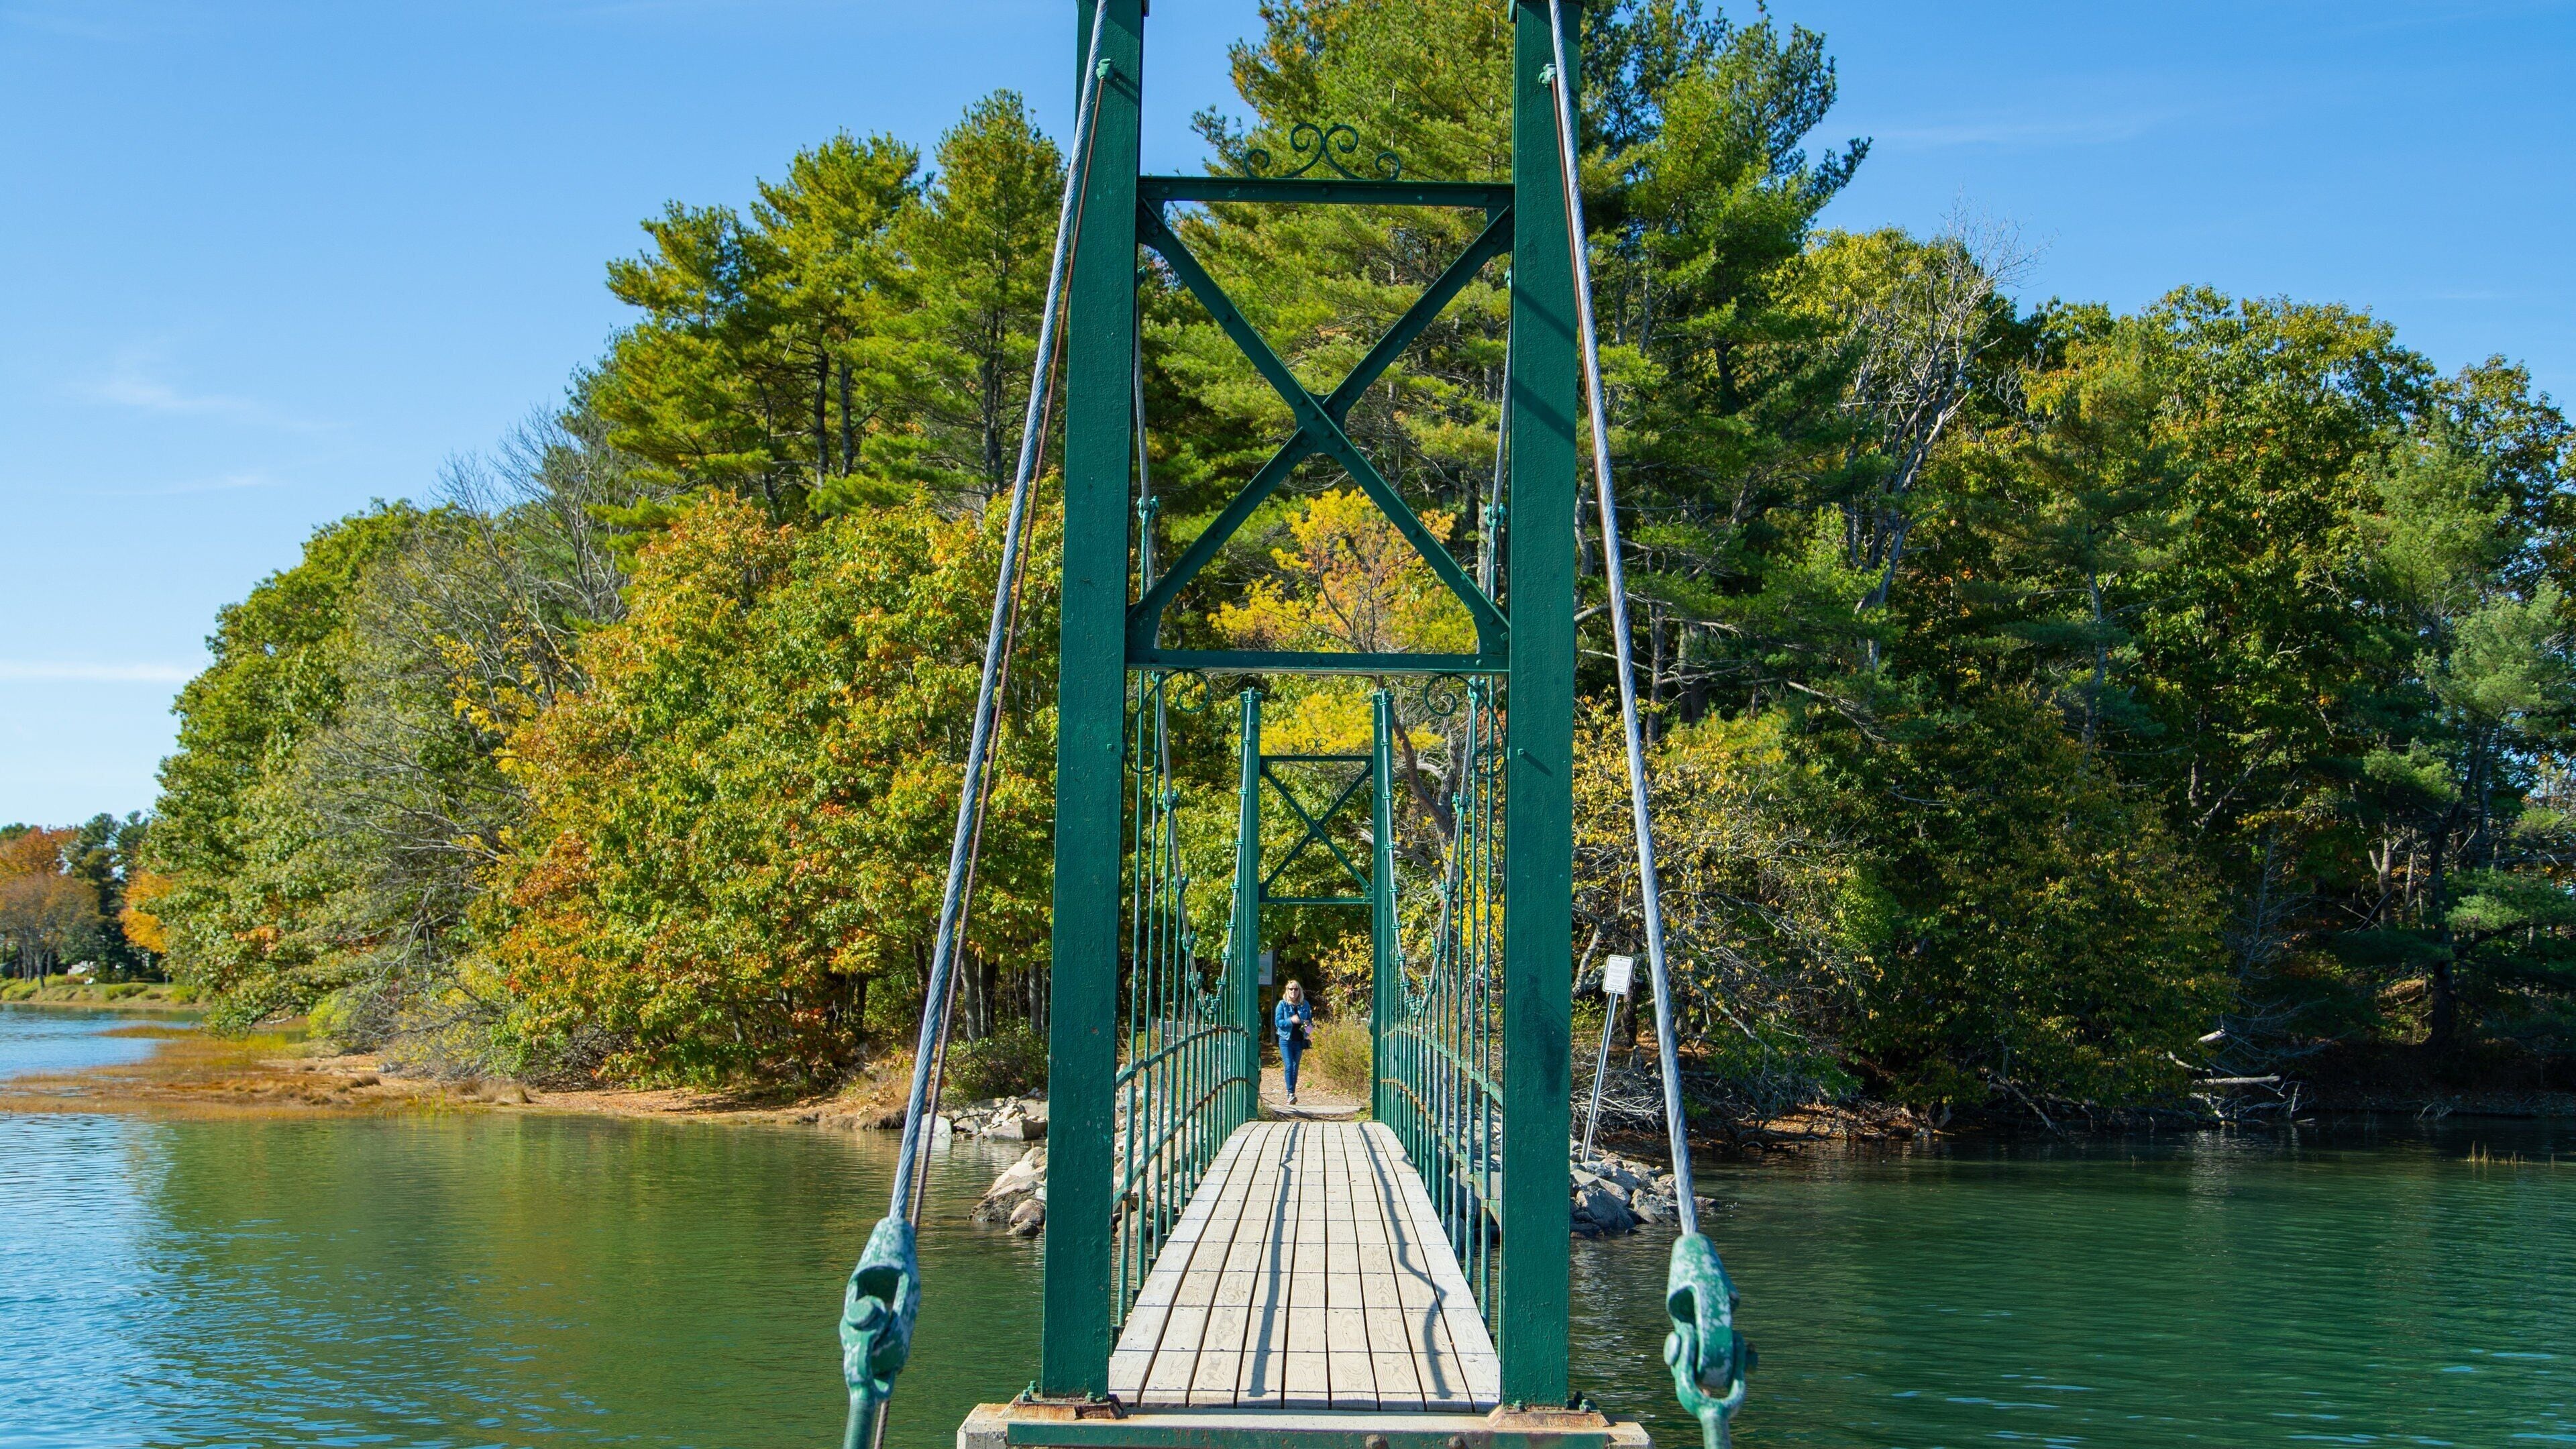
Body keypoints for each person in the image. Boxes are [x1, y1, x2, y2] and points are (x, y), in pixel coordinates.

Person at [1273, 979, 1313, 1105]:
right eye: (1291, 989)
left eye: (1296, 989)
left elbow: (1311, 1025)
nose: (1293, 992)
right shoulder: (1282, 1005)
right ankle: (1290, 1093)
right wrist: (1291, 1020)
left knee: (1295, 1068)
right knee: (1289, 1066)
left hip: (1299, 1041)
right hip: (1286, 1040)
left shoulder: (1305, 1004)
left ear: (1299, 991)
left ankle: (1292, 1094)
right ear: (1287, 990)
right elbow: (1278, 1023)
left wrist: (1308, 1027)